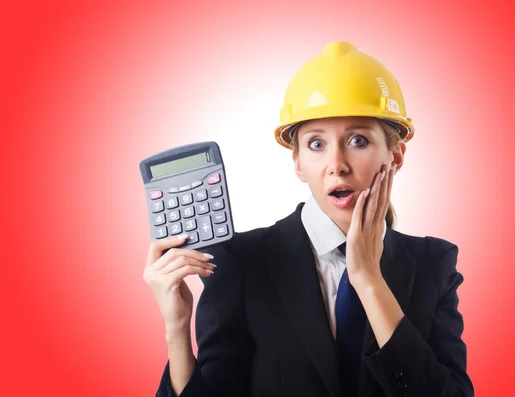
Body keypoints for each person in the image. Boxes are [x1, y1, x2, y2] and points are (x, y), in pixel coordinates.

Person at [145, 41, 474, 397]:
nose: (337, 164)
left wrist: (368, 280)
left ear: (395, 156)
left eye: (358, 140)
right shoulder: (241, 262)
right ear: (298, 163)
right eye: (317, 144)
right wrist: (177, 328)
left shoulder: (433, 265)